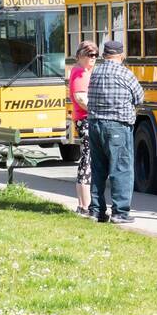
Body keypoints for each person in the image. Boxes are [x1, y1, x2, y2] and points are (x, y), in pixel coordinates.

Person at [84, 39, 143, 224]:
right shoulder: (125, 73)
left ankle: (96, 210)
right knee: (121, 169)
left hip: (94, 125)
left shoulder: (96, 72)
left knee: (98, 169)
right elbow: (140, 97)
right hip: (117, 126)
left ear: (104, 54)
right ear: (121, 55)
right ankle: (120, 212)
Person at [68, 41, 97, 216]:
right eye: (89, 54)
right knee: (88, 160)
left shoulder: (82, 71)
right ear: (80, 55)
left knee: (86, 160)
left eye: (95, 55)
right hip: (85, 119)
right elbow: (80, 97)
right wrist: (97, 111)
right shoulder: (80, 72)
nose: (92, 58)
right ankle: (85, 206)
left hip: (83, 119)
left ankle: (83, 205)